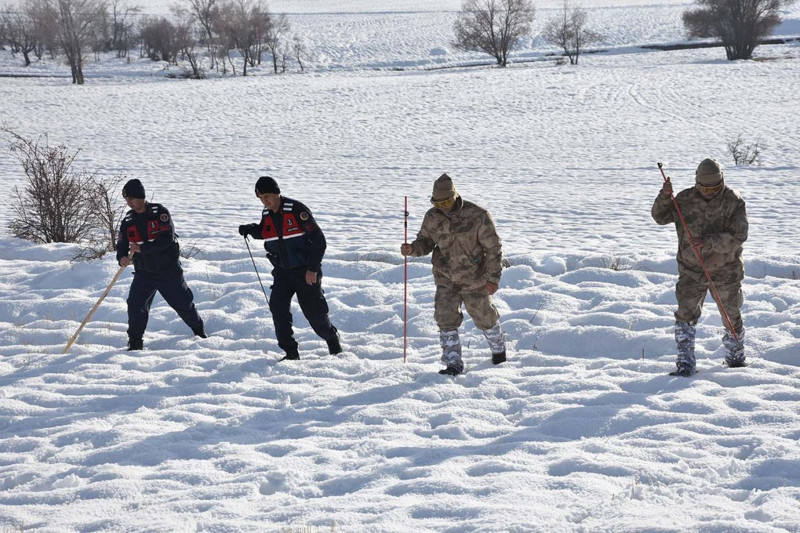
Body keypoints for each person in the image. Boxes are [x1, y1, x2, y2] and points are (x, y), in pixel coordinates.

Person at [401, 173, 506, 375]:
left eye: (447, 202)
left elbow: (493, 249)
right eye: (438, 203)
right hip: (446, 278)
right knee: (445, 318)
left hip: (476, 279)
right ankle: (453, 364)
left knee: (485, 318)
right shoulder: (432, 217)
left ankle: (499, 350)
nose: (443, 207)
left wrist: (493, 278)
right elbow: (425, 242)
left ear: (455, 196)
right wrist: (412, 249)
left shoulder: (478, 215)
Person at [652, 158, 748, 376]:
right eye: (704, 188)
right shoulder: (685, 199)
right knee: (685, 315)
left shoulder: (734, 201)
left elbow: (739, 235)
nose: (709, 192)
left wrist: (709, 242)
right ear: (697, 183)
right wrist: (665, 197)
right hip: (691, 270)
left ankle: (736, 358)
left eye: (715, 187)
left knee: (731, 314)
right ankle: (685, 362)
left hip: (726, 271)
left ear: (722, 181)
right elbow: (659, 217)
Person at [238, 176, 342, 361]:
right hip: (282, 273)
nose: (264, 201)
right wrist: (250, 229)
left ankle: (331, 337)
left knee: (314, 314)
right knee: (278, 309)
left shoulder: (296, 210)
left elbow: (319, 240)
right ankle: (290, 352)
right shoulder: (267, 213)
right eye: (261, 198)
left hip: (305, 272)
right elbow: (265, 232)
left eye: (267, 196)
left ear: (277, 193)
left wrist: (312, 269)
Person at [116, 178, 206, 351]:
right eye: (126, 199)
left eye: (131, 198)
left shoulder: (160, 213)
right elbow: (121, 244)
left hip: (168, 270)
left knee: (183, 303)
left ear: (141, 197)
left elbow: (167, 239)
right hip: (144, 272)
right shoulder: (128, 220)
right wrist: (122, 258)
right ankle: (135, 343)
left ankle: (199, 331)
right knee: (135, 304)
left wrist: (143, 248)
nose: (129, 203)